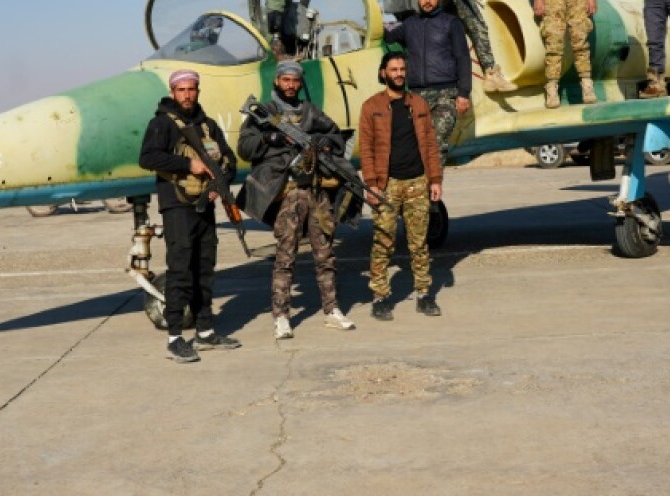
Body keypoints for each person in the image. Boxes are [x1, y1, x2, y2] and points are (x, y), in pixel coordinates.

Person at [237, 60, 356, 338]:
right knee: (285, 256)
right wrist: (268, 139)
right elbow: (244, 148)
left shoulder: (309, 112)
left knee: (325, 254)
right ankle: (281, 316)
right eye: (286, 80)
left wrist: (326, 143)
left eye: (295, 81)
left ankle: (331, 310)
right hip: (287, 193)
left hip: (316, 192)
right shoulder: (264, 113)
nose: (291, 85)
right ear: (277, 81)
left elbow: (336, 135)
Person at [138, 69, 241, 363]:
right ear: (173, 92)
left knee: (205, 269)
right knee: (180, 270)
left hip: (204, 206)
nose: (187, 95)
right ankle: (175, 338)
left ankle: (205, 331)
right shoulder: (162, 123)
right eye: (181, 90)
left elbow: (229, 160)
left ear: (197, 91)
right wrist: (188, 164)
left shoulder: (207, 125)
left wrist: (218, 185)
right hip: (177, 207)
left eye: (191, 89)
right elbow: (147, 157)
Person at [358, 51, 444, 320]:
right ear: (383, 73)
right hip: (387, 185)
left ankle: (424, 294)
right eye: (393, 69)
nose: (398, 74)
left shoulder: (418, 104)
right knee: (383, 242)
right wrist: (372, 184)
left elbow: (430, 144)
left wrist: (435, 179)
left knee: (419, 243)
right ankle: (380, 297)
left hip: (417, 182)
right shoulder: (371, 107)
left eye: (402, 69)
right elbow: (366, 149)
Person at [384, 0, 471, 164]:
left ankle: (433, 182)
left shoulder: (451, 23)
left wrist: (463, 93)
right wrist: (374, 20)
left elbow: (463, 58)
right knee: (416, 145)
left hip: (445, 94)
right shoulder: (409, 24)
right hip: (417, 95)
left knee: (436, 143)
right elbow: (388, 37)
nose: (427, 1)